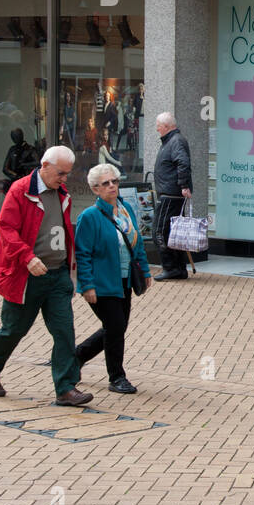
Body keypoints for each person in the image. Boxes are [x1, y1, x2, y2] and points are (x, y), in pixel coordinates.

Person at [0, 146, 93, 407]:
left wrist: (69, 269)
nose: (65, 178)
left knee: (65, 332)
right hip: (26, 276)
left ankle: (65, 388)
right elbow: (6, 228)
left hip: (57, 275)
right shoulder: (20, 190)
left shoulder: (62, 193)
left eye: (68, 174)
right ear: (45, 165)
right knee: (14, 330)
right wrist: (27, 258)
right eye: (61, 173)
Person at [74, 163, 153, 394]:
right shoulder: (89, 217)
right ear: (95, 189)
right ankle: (117, 377)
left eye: (114, 181)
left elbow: (136, 243)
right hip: (102, 282)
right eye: (105, 183)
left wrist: (146, 271)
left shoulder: (126, 208)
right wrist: (87, 285)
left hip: (125, 280)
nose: (112, 186)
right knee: (115, 327)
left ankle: (78, 355)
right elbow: (83, 254)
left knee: (117, 327)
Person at [152, 112, 194, 281]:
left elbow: (183, 162)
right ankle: (179, 269)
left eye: (158, 126)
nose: (157, 129)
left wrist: (183, 185)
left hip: (170, 195)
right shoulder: (173, 140)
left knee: (159, 232)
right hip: (170, 194)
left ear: (167, 126)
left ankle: (171, 268)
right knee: (173, 233)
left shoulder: (175, 141)